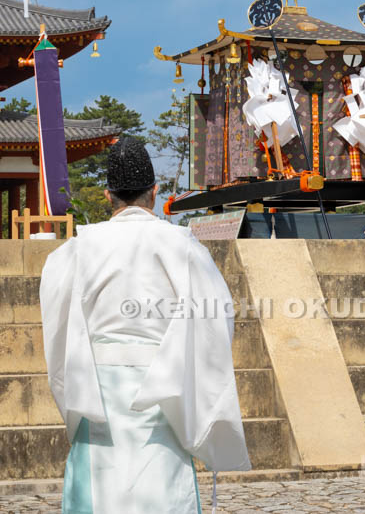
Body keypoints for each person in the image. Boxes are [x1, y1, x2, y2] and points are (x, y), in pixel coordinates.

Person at [40, 136, 250, 513]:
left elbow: (58, 321)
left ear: (108, 195)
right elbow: (213, 317)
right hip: (163, 388)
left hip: (98, 387)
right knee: (162, 483)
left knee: (100, 488)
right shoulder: (181, 244)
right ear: (154, 193)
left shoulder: (78, 248)